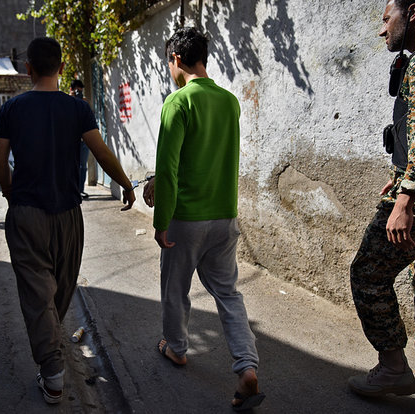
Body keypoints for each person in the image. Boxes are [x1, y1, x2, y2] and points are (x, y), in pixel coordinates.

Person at [0, 37, 135, 404]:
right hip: (69, 216)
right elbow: (100, 152)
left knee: (38, 294)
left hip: (27, 215)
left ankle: (51, 367)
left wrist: (10, 195)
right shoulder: (78, 109)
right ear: (61, 68)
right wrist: (125, 185)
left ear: (29, 69)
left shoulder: (11, 109)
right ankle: (53, 364)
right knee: (59, 286)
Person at [143, 27, 265, 411]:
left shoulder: (178, 103)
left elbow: (169, 167)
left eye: (169, 63)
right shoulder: (229, 102)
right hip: (224, 217)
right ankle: (246, 365)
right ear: (203, 58)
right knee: (228, 293)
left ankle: (176, 348)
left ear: (176, 60)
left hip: (186, 219)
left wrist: (160, 220)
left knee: (176, 288)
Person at [348, 0, 415, 408]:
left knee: (368, 272)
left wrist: (407, 195)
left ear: (412, 12)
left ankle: (393, 367)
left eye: (387, 19)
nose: (382, 30)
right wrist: (401, 174)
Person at [69, 79, 90, 199]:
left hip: (84, 140)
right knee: (73, 166)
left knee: (83, 166)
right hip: (71, 140)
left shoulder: (84, 104)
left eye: (80, 92)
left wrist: (84, 104)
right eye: (77, 91)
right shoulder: (66, 102)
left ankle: (80, 190)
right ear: (72, 90)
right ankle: (73, 190)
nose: (79, 94)